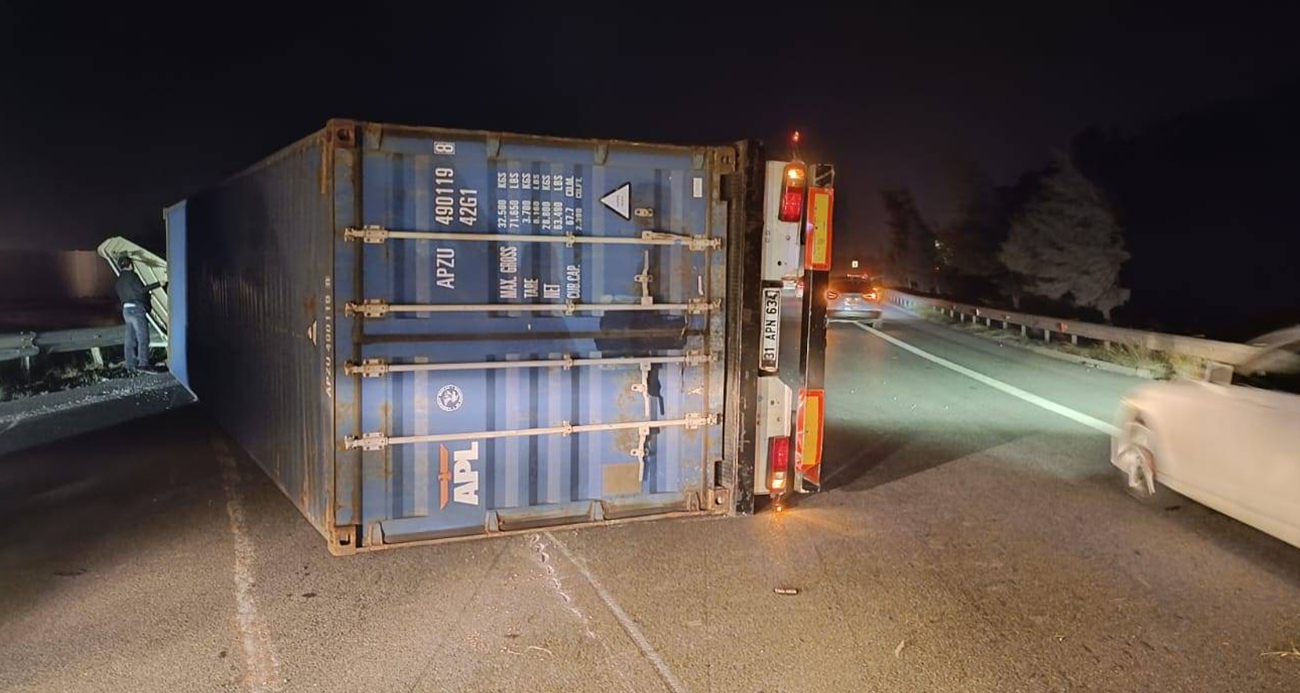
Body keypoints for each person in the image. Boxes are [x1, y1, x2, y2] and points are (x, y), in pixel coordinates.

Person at [114, 255, 162, 372]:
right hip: (136, 309)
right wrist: (158, 284)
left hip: (126, 311)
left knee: (130, 339)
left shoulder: (118, 281)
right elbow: (141, 290)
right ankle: (143, 364)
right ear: (131, 265)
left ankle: (130, 364)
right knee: (143, 337)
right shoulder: (133, 276)